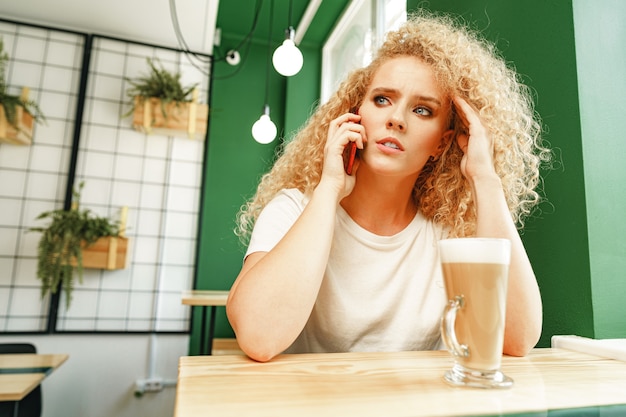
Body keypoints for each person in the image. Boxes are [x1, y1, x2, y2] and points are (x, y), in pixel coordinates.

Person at [227, 10, 551, 362]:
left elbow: (516, 340)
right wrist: (330, 188)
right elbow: (259, 337)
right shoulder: (292, 209)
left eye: (422, 110)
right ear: (356, 115)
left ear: (442, 144)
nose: (395, 119)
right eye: (382, 99)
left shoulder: (449, 234)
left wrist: (486, 179)